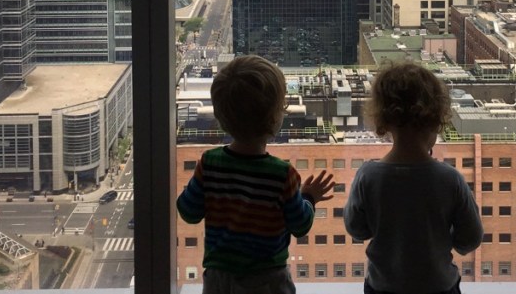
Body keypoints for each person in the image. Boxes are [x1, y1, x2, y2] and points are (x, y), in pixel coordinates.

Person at [177, 55, 335, 294]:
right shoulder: (282, 174)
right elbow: (300, 225)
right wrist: (309, 197)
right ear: (274, 119)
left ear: (220, 117)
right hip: (268, 279)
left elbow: (188, 212)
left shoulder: (209, 163)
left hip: (219, 280)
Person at [344, 63, 484, 294]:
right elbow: (470, 238)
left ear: (383, 121)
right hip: (438, 286)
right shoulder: (450, 179)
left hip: (384, 287)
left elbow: (356, 229)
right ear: (437, 120)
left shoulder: (368, 176)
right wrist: (440, 237)